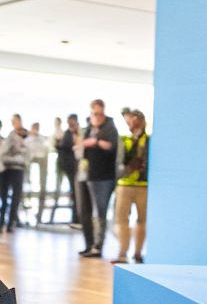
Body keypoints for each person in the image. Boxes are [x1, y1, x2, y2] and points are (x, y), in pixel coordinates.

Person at [78, 99, 120, 259]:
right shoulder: (88, 128)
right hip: (88, 175)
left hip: (104, 177)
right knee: (86, 212)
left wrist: (95, 142)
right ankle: (90, 244)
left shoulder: (110, 128)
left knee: (100, 213)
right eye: (94, 113)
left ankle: (98, 246)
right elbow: (81, 146)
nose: (97, 116)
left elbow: (111, 147)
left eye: (99, 113)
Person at [113, 108, 150, 264]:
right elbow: (119, 161)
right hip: (124, 185)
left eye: (135, 120)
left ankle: (138, 252)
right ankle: (122, 252)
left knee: (142, 220)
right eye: (129, 120)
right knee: (122, 220)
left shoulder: (148, 140)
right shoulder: (123, 138)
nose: (132, 123)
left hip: (143, 185)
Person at [0, 115, 28, 230]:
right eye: (12, 121)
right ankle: (1, 223)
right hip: (7, 168)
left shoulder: (26, 136)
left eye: (15, 121)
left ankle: (11, 223)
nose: (14, 123)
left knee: (16, 197)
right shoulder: (10, 136)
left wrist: (20, 149)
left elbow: (28, 152)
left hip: (19, 169)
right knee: (4, 197)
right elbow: (3, 151)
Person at [53, 114, 80, 224]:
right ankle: (75, 217)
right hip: (66, 165)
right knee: (74, 192)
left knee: (76, 193)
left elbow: (68, 146)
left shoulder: (77, 133)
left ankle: (77, 218)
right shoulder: (67, 133)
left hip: (73, 166)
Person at [26, 119, 50, 223]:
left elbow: (45, 150)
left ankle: (39, 215)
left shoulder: (42, 140)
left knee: (40, 190)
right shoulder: (28, 140)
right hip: (30, 171)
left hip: (40, 171)